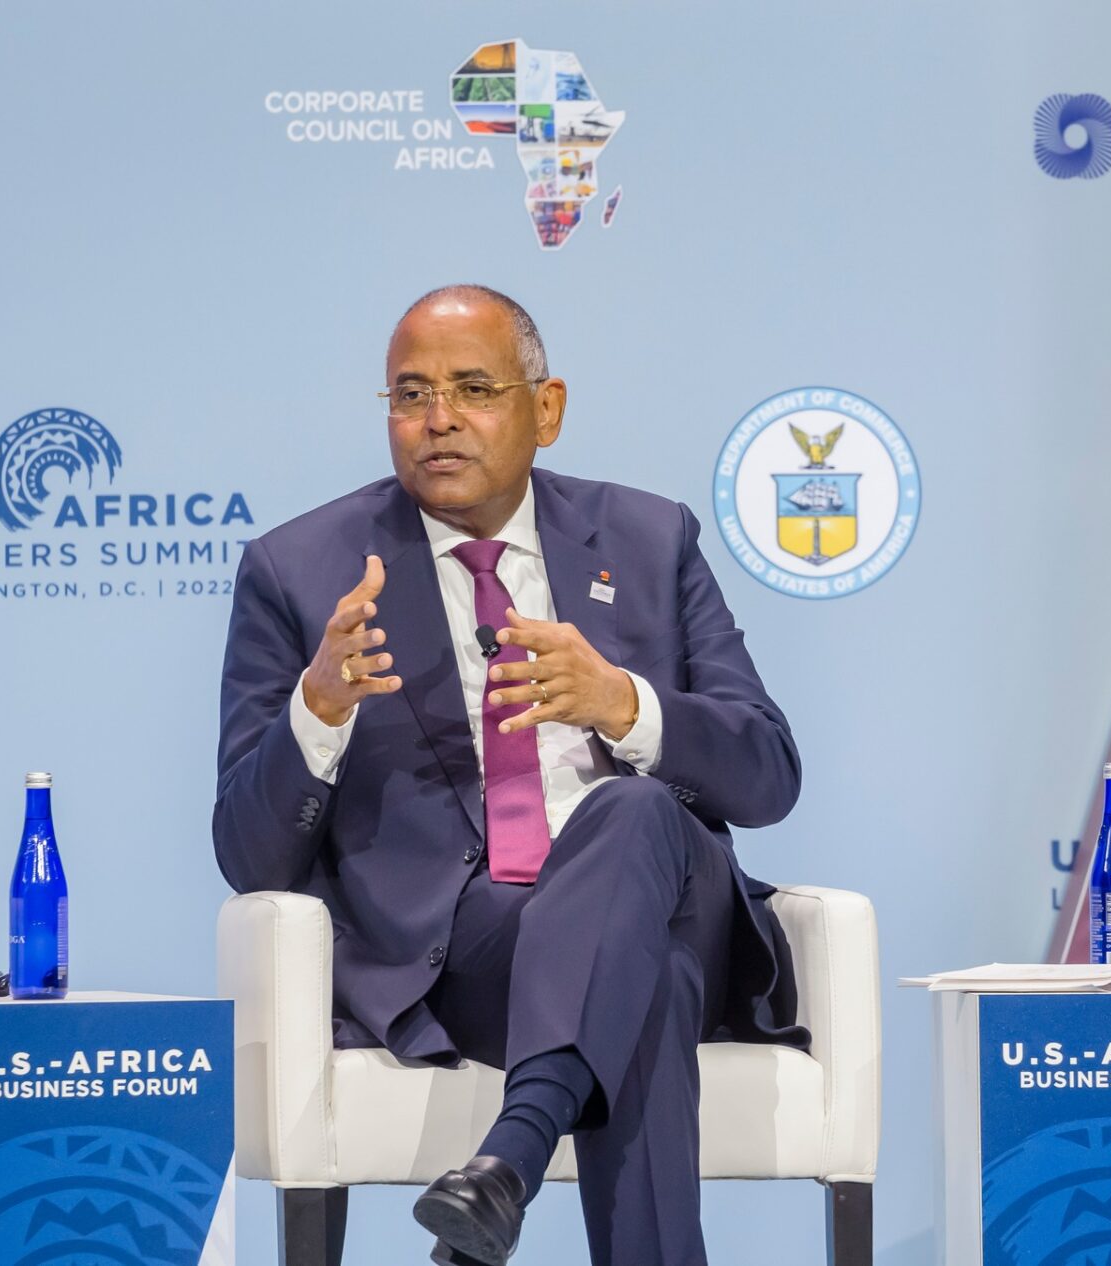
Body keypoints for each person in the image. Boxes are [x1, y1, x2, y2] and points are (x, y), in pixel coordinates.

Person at [213, 284, 808, 1265]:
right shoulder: (301, 572)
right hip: (476, 952)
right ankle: (500, 1177)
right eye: (410, 395)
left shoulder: (649, 540)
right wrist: (317, 710)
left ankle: (510, 1159)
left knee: (631, 811)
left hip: (673, 890)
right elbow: (248, 855)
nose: (438, 419)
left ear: (547, 407)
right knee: (650, 980)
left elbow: (768, 776)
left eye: (473, 389)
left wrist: (623, 704)